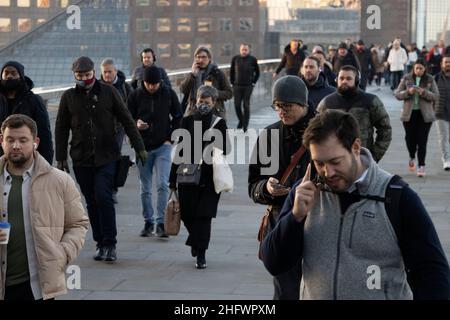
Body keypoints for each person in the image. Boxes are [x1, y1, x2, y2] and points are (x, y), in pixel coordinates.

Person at [262, 110, 450, 300]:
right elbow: (274, 263)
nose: (328, 172)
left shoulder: (396, 196)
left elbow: (432, 273)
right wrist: (294, 217)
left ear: (356, 147)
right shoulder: (304, 193)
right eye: (319, 163)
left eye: (335, 162)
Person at [55, 56, 147, 263]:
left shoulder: (109, 92)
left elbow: (127, 119)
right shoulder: (68, 97)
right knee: (92, 202)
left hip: (107, 156)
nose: (84, 79)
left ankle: (110, 243)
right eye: (80, 76)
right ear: (74, 76)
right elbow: (61, 128)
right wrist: (60, 159)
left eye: (87, 75)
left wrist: (138, 146)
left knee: (104, 197)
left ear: (94, 73)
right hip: (81, 158)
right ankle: (100, 243)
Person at [0, 114, 89, 301]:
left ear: (35, 142)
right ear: (2, 141)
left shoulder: (59, 181)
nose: (16, 145)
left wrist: (62, 253)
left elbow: (77, 224)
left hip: (39, 286)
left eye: (23, 140)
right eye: (10, 140)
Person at [248, 76, 315, 300]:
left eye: (287, 106)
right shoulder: (269, 136)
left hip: (319, 222)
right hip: (282, 222)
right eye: (277, 106)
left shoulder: (324, 133)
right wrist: (266, 188)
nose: (281, 112)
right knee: (286, 291)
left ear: (303, 104)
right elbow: (253, 184)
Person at [169, 85, 230, 269]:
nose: (203, 105)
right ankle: (196, 241)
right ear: (195, 101)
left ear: (213, 103)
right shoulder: (187, 122)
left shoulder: (218, 123)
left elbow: (226, 149)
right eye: (200, 101)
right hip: (188, 176)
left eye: (206, 102)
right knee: (187, 214)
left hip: (210, 178)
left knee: (204, 217)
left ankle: (201, 253)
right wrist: (172, 180)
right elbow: (179, 151)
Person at [127, 66, 183, 238]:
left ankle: (160, 223)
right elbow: (127, 118)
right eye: (148, 84)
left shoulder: (168, 93)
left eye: (155, 84)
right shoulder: (135, 95)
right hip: (142, 147)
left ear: (160, 82)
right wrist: (136, 124)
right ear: (143, 82)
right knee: (145, 188)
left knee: (162, 184)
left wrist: (171, 138)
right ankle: (148, 221)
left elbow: (178, 115)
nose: (152, 87)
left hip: (163, 146)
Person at [317, 65, 392, 162]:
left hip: (362, 160)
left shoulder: (371, 101)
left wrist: (373, 156)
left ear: (356, 81)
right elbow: (316, 130)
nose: (344, 81)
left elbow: (385, 128)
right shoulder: (327, 103)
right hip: (334, 161)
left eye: (349, 78)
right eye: (341, 78)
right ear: (337, 80)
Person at [0, 61, 53, 164]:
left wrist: (47, 163)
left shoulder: (33, 100)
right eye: (6, 73)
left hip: (26, 159)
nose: (9, 76)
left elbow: (44, 133)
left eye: (13, 73)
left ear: (21, 75)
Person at [395, 59, 439, 177]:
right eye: (417, 68)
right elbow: (397, 94)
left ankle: (421, 166)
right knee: (410, 139)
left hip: (425, 115)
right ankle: (411, 156)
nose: (419, 71)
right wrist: (408, 92)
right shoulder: (406, 78)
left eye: (421, 68)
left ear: (425, 69)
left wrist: (423, 92)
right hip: (409, 114)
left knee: (422, 141)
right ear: (413, 68)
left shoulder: (430, 79)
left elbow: (436, 96)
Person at [100, 57, 133, 203]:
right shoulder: (96, 86)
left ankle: (113, 190)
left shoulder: (125, 87)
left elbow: (132, 107)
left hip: (118, 128)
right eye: (105, 72)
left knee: (114, 157)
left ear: (116, 71)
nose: (107, 75)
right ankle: (103, 189)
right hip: (100, 129)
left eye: (110, 72)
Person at [180, 46, 233, 119]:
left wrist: (214, 93)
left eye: (204, 57)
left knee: (213, 130)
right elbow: (183, 90)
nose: (201, 60)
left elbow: (229, 93)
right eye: (198, 57)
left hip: (214, 113)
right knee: (197, 130)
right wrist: (192, 75)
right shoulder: (192, 74)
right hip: (195, 113)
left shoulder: (217, 73)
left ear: (209, 59)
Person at [230, 43, 260, 132]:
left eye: (245, 50)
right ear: (240, 50)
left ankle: (245, 124)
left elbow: (257, 72)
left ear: (248, 50)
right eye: (242, 49)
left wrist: (253, 82)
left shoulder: (253, 59)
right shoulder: (235, 59)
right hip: (237, 85)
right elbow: (231, 72)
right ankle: (241, 120)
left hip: (248, 86)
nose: (244, 51)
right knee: (237, 105)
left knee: (246, 105)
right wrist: (232, 83)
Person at [435, 54, 450, 171]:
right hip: (441, 113)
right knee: (443, 137)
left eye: (449, 62)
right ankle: (446, 160)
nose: (448, 64)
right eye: (446, 62)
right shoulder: (435, 78)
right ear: (441, 64)